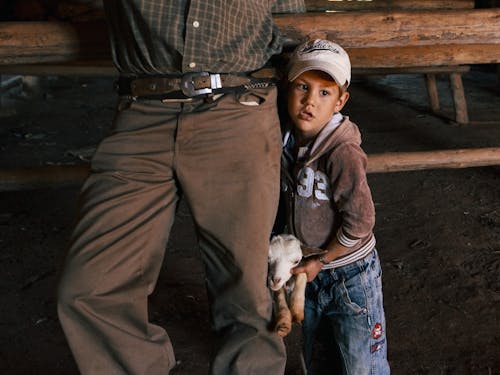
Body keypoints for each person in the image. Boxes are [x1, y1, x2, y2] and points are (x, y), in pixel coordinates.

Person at [56, 1, 306, 374]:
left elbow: (292, 17)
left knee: (249, 290)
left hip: (239, 106)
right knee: (89, 287)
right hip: (143, 111)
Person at [278, 39, 390, 374]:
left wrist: (323, 258)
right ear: (287, 89)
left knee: (361, 365)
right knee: (319, 359)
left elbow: (361, 222)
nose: (310, 101)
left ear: (340, 101)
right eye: (302, 87)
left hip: (350, 274)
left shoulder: (342, 152)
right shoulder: (285, 142)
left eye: (325, 93)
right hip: (311, 273)